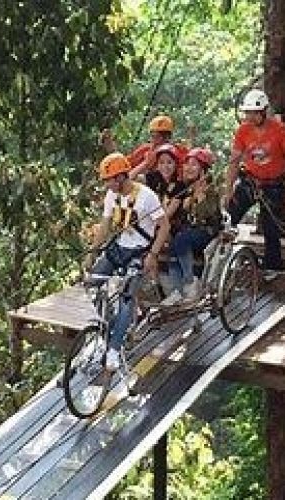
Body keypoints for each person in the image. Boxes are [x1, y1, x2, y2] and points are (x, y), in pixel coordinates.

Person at [86, 152, 170, 371]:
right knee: (92, 284)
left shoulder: (146, 196)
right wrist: (92, 253)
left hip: (139, 252)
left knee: (126, 297)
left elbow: (165, 226)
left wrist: (152, 254)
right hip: (118, 248)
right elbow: (105, 226)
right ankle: (114, 326)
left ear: (122, 177)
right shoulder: (111, 196)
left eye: (110, 179)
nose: (108, 184)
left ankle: (114, 349)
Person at [225, 89, 285, 274]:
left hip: (273, 184)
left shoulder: (280, 130)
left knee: (271, 229)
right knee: (228, 217)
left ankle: (272, 268)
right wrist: (228, 191)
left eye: (253, 113)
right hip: (251, 180)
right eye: (247, 113)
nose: (250, 117)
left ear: (263, 112)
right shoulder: (243, 131)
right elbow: (234, 161)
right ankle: (221, 256)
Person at [165, 147, 221, 302]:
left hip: (208, 231)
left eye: (194, 165)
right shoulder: (186, 188)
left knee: (181, 239)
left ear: (203, 170)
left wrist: (200, 196)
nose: (189, 168)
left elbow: (206, 214)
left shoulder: (211, 190)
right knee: (173, 246)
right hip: (191, 231)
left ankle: (190, 282)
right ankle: (176, 291)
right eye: (187, 164)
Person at [100, 115, 189, 179]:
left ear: (168, 137)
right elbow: (124, 165)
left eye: (161, 136)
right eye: (153, 136)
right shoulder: (145, 150)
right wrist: (111, 148)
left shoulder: (179, 151)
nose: (156, 140)